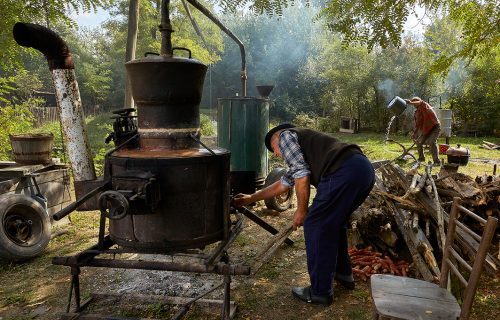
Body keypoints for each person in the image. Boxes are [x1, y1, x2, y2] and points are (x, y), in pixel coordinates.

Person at [233, 124, 375, 305]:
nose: (277, 154)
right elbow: (283, 184)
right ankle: (343, 274)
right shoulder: (303, 151)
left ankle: (320, 292)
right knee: (333, 223)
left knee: (315, 224)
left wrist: (301, 211)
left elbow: (302, 176)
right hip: (363, 171)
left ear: (275, 139)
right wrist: (251, 197)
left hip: (342, 171)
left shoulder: (284, 136)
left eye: (274, 149)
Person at [405, 97, 441, 165]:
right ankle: (421, 158)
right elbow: (418, 125)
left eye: (414, 103)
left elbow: (420, 102)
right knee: (418, 142)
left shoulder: (424, 105)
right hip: (426, 129)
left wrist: (410, 102)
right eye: (413, 104)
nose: (414, 105)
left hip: (434, 127)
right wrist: (415, 133)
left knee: (432, 142)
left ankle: (437, 162)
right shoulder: (416, 112)